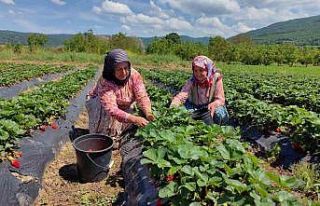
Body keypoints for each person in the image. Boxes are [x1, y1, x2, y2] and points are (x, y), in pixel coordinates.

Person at [86, 49, 155, 147]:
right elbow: (111, 109)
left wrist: (148, 113)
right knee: (104, 128)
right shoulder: (106, 81)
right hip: (100, 105)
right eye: (119, 69)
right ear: (111, 70)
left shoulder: (134, 75)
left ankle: (116, 135)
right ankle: (101, 136)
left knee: (135, 115)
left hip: (124, 103)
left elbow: (142, 96)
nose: (123, 72)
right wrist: (135, 119)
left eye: (126, 68)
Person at [170, 55, 229, 125]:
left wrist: (214, 104)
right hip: (194, 106)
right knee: (183, 112)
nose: (198, 74)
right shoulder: (192, 80)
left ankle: (217, 128)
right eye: (195, 70)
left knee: (219, 113)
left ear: (208, 69)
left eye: (201, 70)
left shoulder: (216, 79)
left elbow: (220, 99)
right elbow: (182, 95)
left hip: (210, 107)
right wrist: (173, 106)